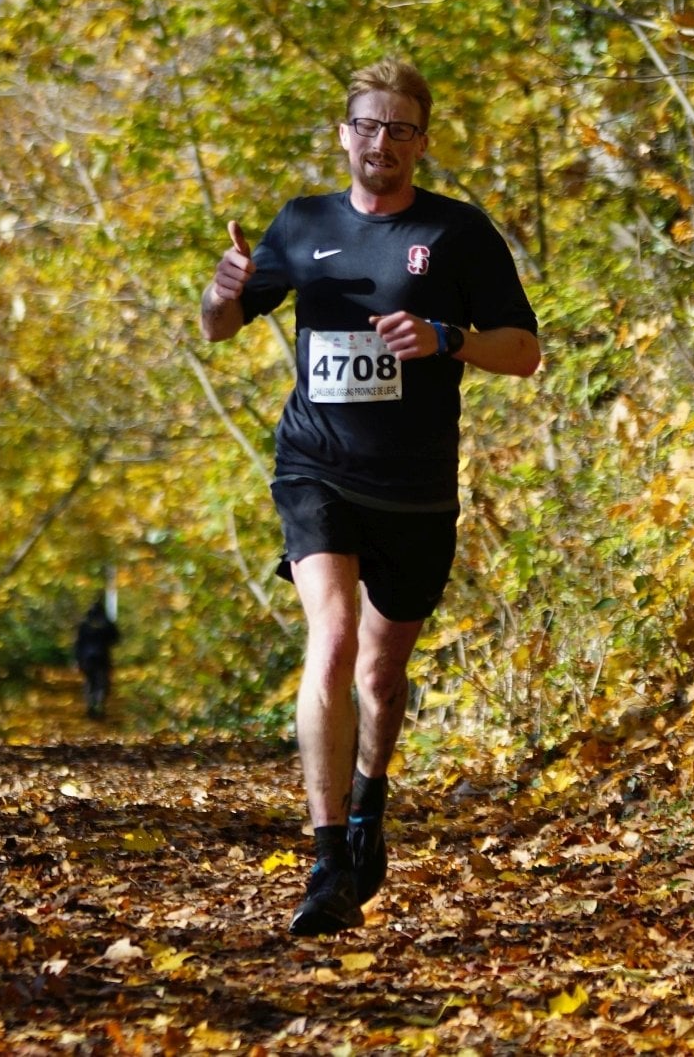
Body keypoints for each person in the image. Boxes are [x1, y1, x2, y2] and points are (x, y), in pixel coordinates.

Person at [198, 56, 541, 936]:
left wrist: (446, 337)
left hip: (416, 485)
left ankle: (367, 804)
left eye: (400, 128)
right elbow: (224, 326)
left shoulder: (459, 233)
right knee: (334, 634)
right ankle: (324, 860)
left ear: (421, 140)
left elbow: (523, 351)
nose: (381, 142)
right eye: (368, 125)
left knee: (382, 675)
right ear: (344, 133)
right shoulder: (302, 223)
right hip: (316, 465)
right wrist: (220, 292)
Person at [73, 593, 120, 720]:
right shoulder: (107, 623)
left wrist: (77, 660)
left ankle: (91, 705)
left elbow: (78, 643)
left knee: (90, 681)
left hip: (87, 658)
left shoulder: (84, 624)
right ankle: (99, 706)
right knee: (102, 683)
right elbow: (116, 639)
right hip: (103, 656)